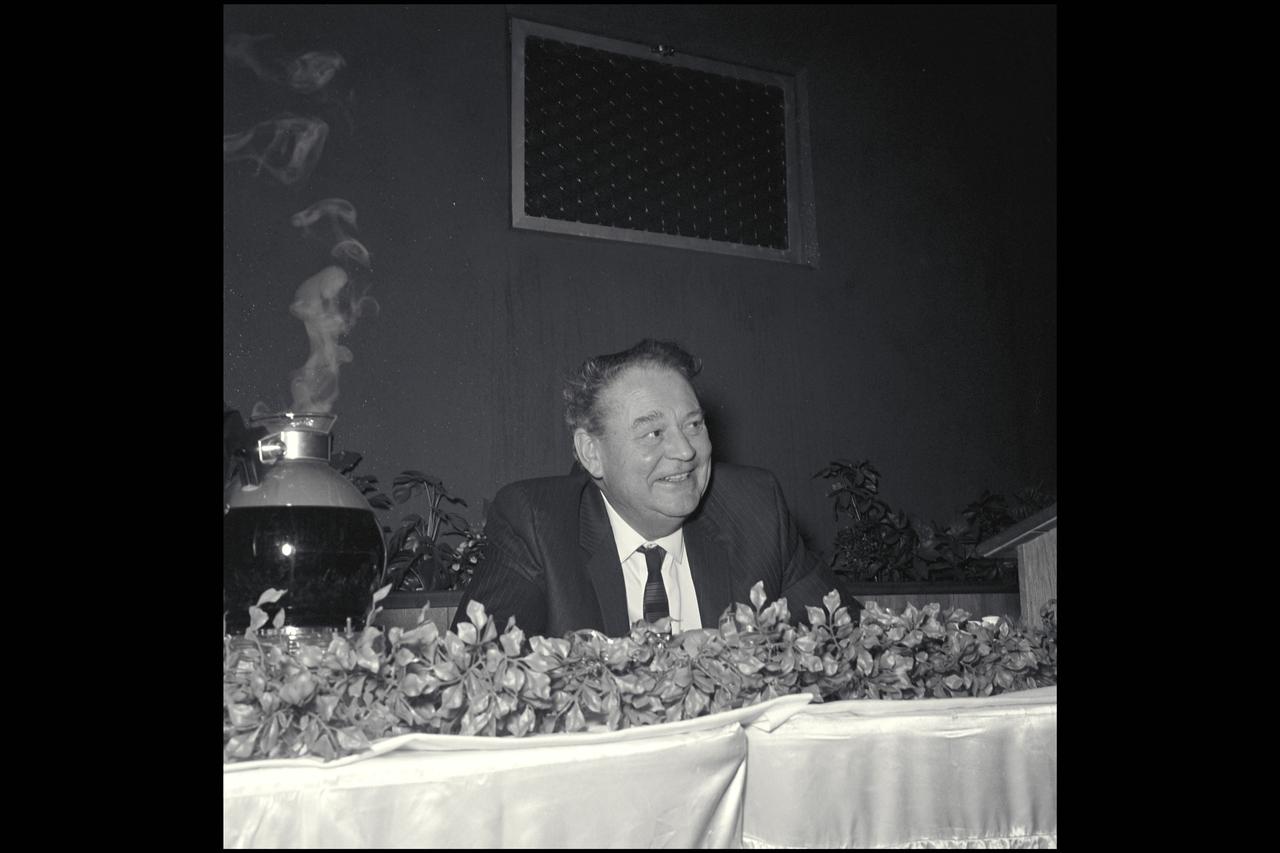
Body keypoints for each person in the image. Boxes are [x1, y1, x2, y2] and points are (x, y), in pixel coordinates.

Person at [453, 339, 859, 637]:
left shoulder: (756, 510)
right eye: (653, 433)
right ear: (591, 453)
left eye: (694, 425)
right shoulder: (536, 522)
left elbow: (854, 643)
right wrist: (666, 663)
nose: (685, 451)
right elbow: (478, 675)